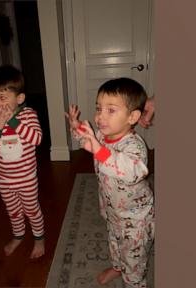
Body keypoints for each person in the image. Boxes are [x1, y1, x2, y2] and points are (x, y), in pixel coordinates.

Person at [66, 78, 154, 287]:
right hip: (112, 209)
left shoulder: (135, 145)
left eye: (110, 110)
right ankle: (117, 266)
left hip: (136, 219)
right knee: (114, 241)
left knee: (134, 260)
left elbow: (134, 171)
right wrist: (77, 127)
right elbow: (88, 141)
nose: (100, 116)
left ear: (133, 117)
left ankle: (133, 281)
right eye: (99, 108)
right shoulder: (103, 136)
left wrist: (99, 149)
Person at [0, 65, 45, 259]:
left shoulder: (28, 115)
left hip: (26, 179)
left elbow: (37, 139)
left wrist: (13, 122)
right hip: (5, 181)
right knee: (13, 211)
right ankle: (19, 235)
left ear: (19, 99)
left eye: (2, 98)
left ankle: (39, 239)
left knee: (32, 209)